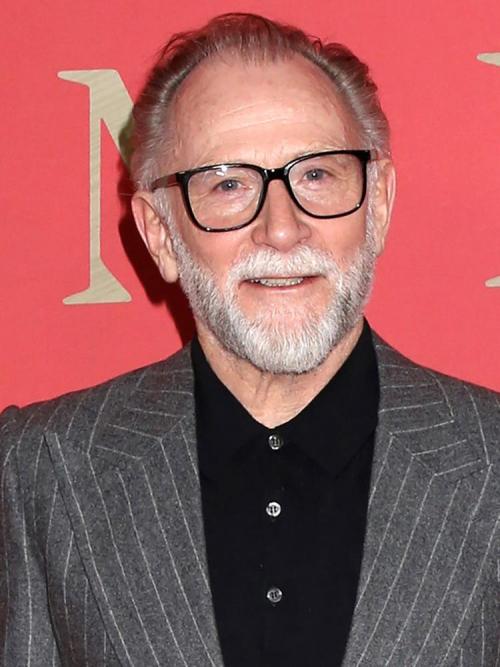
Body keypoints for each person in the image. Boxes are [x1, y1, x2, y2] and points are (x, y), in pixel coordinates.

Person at [1, 13, 498, 667]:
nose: (282, 229)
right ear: (160, 235)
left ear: (377, 206)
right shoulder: (41, 468)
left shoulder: (491, 460)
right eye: (229, 185)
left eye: (316, 175)